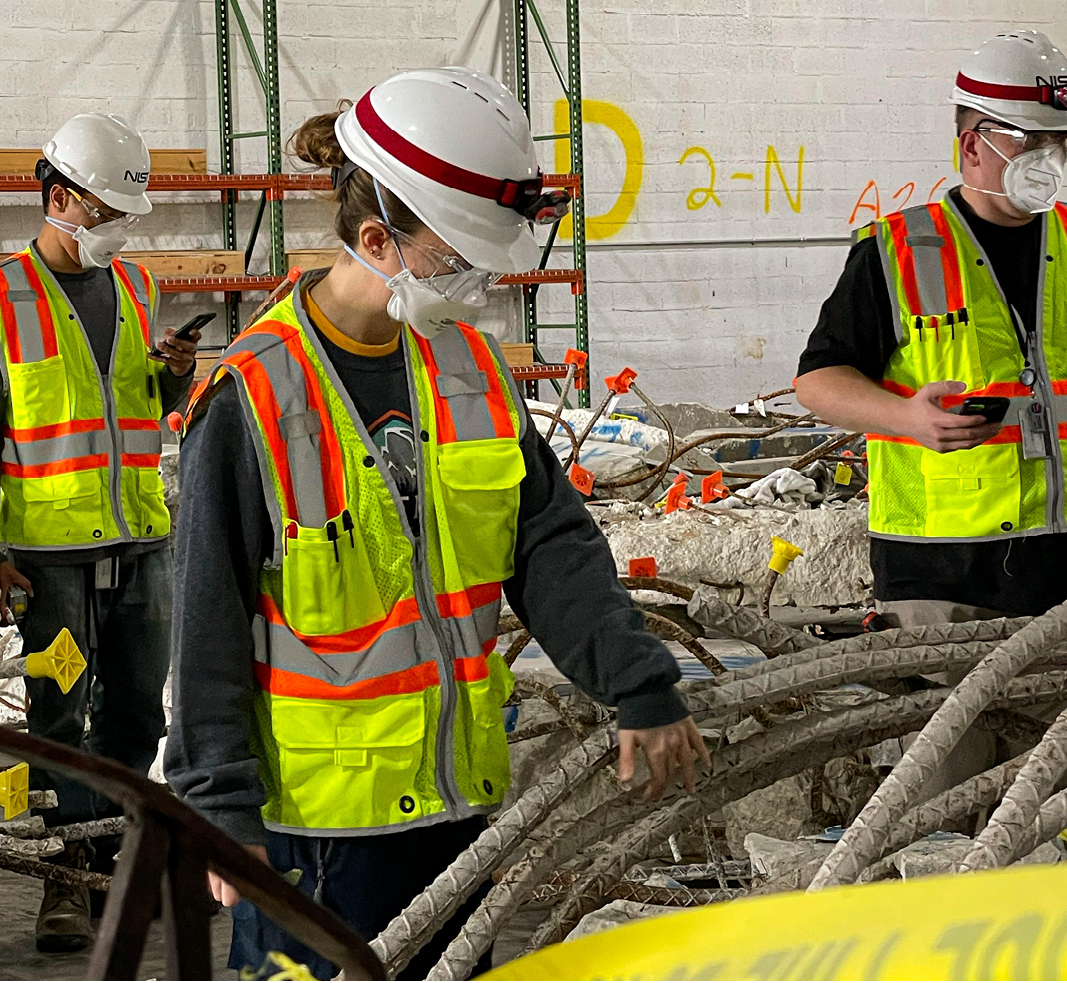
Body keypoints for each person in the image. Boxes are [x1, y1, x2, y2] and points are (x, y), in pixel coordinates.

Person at [161, 66, 710, 979]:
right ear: (378, 238)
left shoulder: (469, 368)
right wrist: (220, 810)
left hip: (457, 806)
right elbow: (206, 617)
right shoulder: (253, 396)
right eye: (456, 259)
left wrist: (638, 683)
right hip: (319, 837)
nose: (476, 283)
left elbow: (552, 549)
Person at [0, 111, 191, 952]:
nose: (117, 231)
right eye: (106, 213)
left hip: (140, 544)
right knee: (57, 721)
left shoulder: (136, 291)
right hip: (48, 558)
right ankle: (64, 882)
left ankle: (115, 873)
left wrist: (171, 379)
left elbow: (137, 412)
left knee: (135, 718)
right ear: (59, 199)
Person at [792, 29, 1067, 628]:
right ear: (973, 146)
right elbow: (818, 380)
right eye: (1030, 139)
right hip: (937, 575)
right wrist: (907, 419)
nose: (1049, 159)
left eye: (1063, 142)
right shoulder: (898, 250)